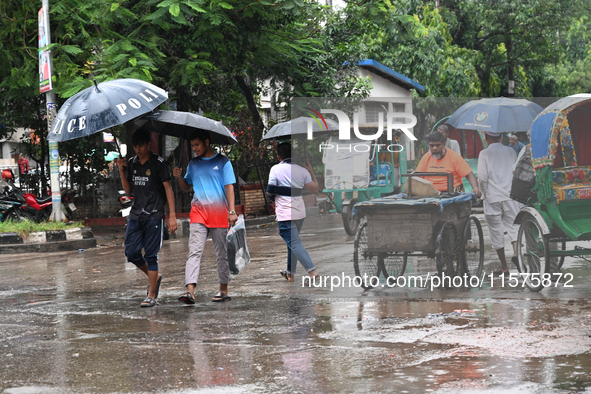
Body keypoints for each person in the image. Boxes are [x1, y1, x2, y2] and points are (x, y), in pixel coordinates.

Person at [173, 132, 237, 303]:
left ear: (206, 143)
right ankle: (190, 291)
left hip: (219, 213)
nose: (194, 149)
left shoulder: (223, 162)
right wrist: (179, 176)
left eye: (197, 145)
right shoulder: (193, 164)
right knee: (194, 251)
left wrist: (232, 211)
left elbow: (229, 187)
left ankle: (223, 290)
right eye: (192, 145)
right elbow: (186, 187)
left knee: (221, 253)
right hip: (198, 212)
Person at [117, 129, 177, 308]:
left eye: (141, 145)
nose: (138, 149)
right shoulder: (132, 163)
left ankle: (152, 295)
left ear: (148, 144)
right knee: (131, 252)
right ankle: (155, 277)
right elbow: (128, 191)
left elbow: (168, 189)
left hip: (154, 214)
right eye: (135, 146)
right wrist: (121, 170)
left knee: (151, 255)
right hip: (136, 215)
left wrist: (171, 215)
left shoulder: (158, 163)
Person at [267, 142, 319, 282]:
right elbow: (315, 189)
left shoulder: (275, 169)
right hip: (299, 214)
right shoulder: (302, 171)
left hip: (285, 214)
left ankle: (312, 272)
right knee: (292, 243)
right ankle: (290, 273)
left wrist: (274, 197)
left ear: (278, 157)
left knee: (294, 243)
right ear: (294, 155)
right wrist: (311, 171)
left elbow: (270, 191)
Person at [478, 131, 520, 276]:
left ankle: (504, 267)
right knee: (514, 227)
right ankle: (516, 253)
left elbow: (482, 178)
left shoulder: (484, 153)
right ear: (501, 137)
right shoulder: (510, 151)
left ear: (486, 138)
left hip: (492, 197)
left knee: (496, 231)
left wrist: (483, 193)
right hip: (510, 196)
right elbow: (516, 172)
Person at [415, 131, 481, 195]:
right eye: (432, 146)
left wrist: (475, 188)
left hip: (453, 192)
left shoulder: (454, 156)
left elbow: (469, 174)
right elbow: (417, 176)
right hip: (430, 193)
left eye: (437, 145)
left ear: (444, 144)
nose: (434, 148)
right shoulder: (426, 157)